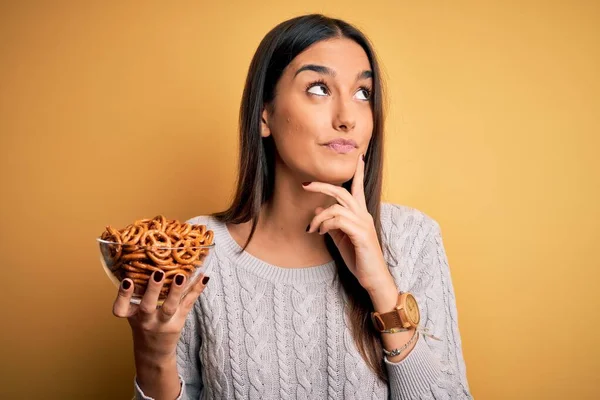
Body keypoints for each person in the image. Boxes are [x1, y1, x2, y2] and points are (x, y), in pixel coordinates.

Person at [112, 13, 473, 400]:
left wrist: (382, 288)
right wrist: (153, 356)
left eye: (363, 94)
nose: (347, 118)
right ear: (264, 114)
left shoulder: (413, 238)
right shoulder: (201, 250)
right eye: (319, 88)